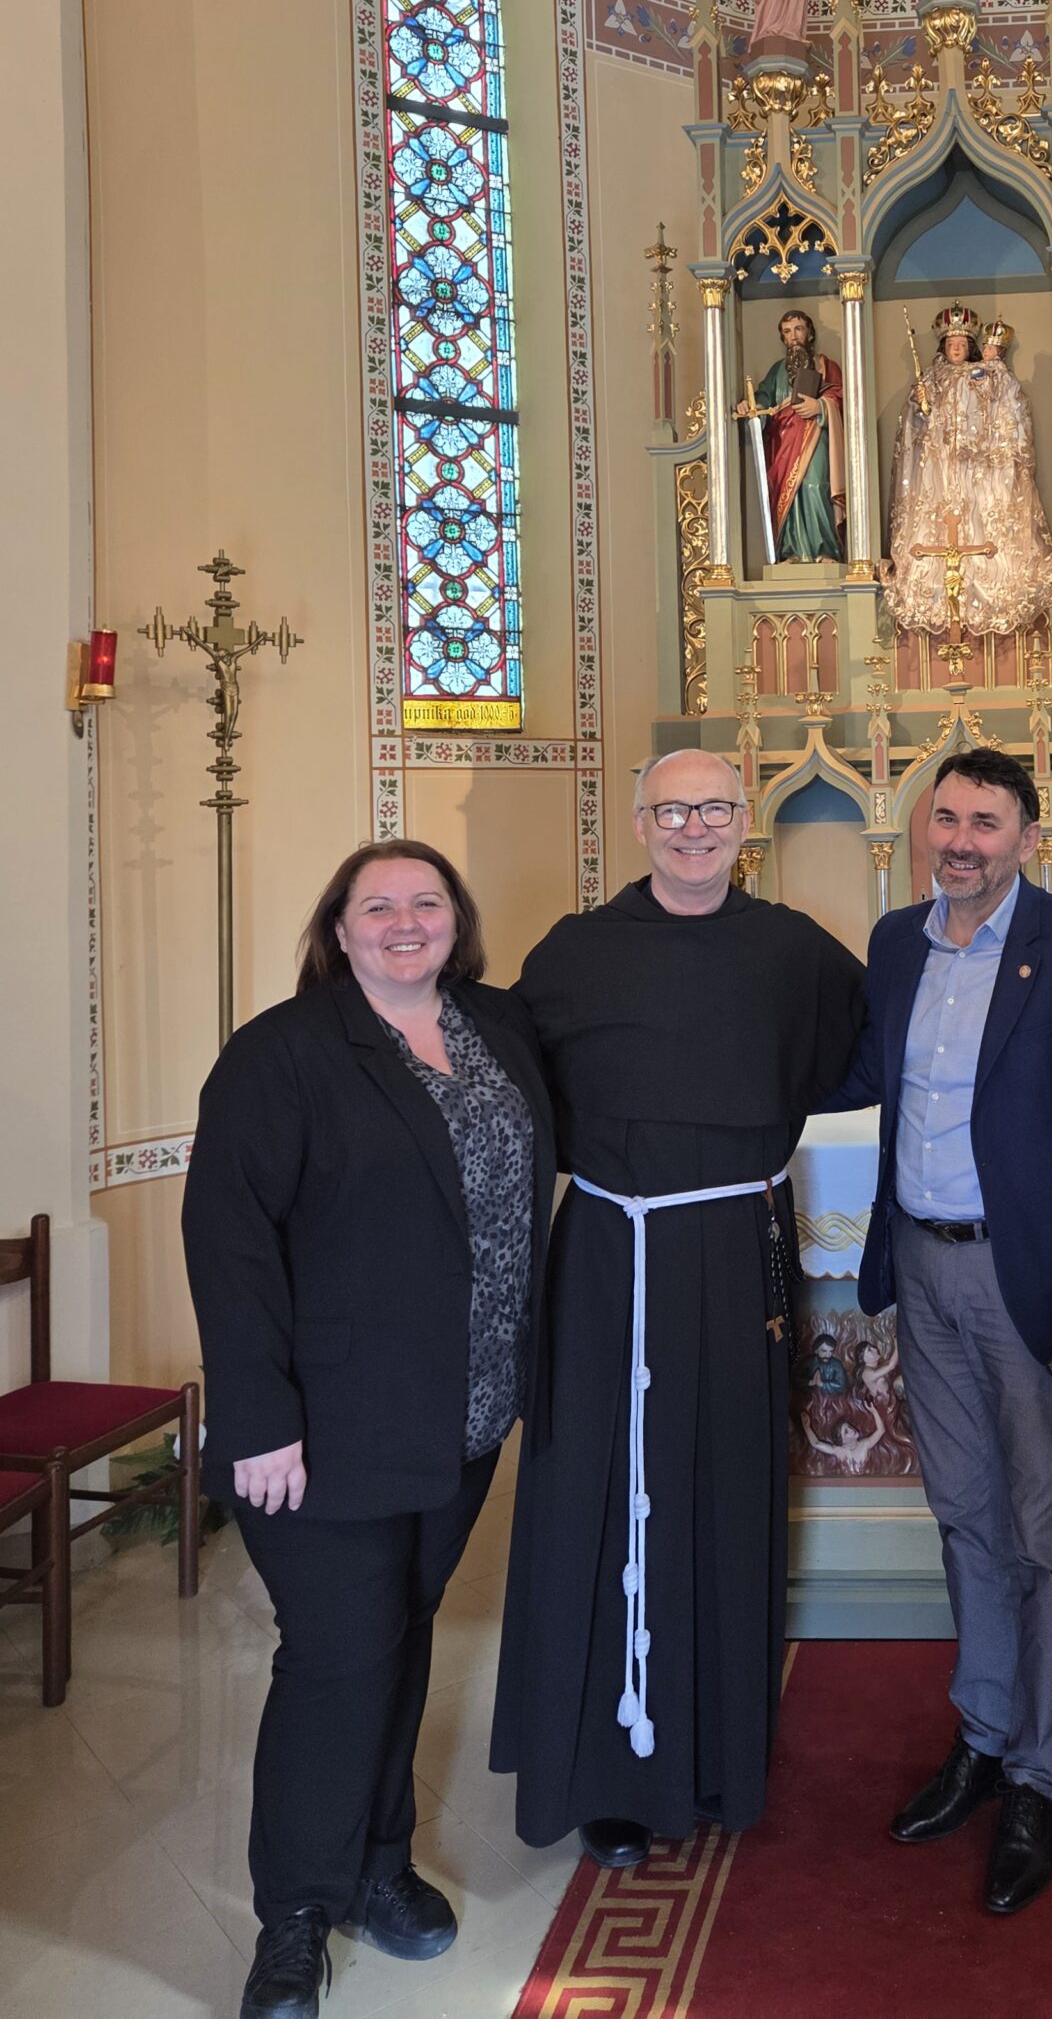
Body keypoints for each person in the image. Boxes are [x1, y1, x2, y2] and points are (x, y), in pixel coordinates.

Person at [182, 843, 555, 2019]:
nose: (404, 921)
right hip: (326, 1423)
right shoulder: (283, 1051)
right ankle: (295, 1912)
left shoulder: (500, 1027)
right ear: (337, 930)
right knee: (338, 1656)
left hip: (464, 1411)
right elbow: (228, 1238)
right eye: (376, 905)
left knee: (402, 1632)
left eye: (426, 902)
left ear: (458, 920)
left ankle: (379, 1863)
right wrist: (258, 1418)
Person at [490, 749, 864, 1869]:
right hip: (610, 1250)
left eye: (712, 809)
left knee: (720, 1485)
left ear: (744, 821)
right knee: (596, 1489)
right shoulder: (576, 950)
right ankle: (601, 1771)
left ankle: (714, 1755)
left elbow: (859, 1055)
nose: (693, 827)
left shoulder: (793, 950)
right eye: (671, 810)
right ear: (639, 822)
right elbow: (513, 1084)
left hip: (736, 1248)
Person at [827, 748, 1052, 1914]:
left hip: (1037, 1281)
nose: (961, 840)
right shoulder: (895, 943)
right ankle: (982, 1732)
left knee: (1045, 1531)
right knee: (964, 1511)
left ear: (1028, 836)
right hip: (923, 1267)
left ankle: (1038, 1776)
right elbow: (854, 1069)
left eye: (986, 822)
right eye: (948, 819)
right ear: (923, 827)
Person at [885, 302, 1052, 638]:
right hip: (939, 465)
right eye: (951, 344)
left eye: (962, 345)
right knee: (937, 520)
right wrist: (919, 403)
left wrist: (993, 377)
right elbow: (916, 427)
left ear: (971, 348)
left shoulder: (982, 375)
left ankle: (987, 578)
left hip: (977, 465)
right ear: (943, 347)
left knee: (980, 516)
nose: (956, 349)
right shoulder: (931, 378)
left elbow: (1004, 407)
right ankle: (932, 587)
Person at [734, 307, 846, 562]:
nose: (793, 336)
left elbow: (841, 397)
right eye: (787, 332)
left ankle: (825, 550)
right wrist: (750, 406)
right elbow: (762, 399)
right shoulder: (777, 371)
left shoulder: (826, 366)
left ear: (809, 334)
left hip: (816, 437)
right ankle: (791, 551)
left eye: (798, 329)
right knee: (787, 494)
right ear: (783, 338)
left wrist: (820, 406)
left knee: (815, 486)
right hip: (783, 441)